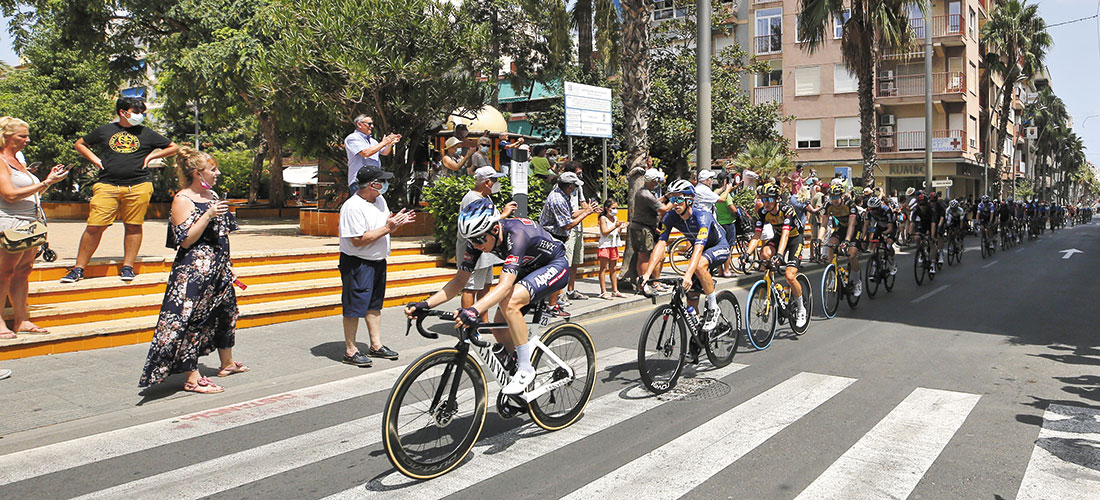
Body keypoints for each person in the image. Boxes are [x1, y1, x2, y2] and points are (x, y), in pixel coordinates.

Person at [407, 198, 570, 394]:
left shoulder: (516, 234)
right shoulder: (476, 241)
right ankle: (519, 373)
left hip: (554, 265)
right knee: (500, 330)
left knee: (509, 302)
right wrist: (426, 304)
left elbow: (504, 286)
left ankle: (526, 370)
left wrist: (474, 310)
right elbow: (459, 282)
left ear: (494, 229)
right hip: (528, 268)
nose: (475, 245)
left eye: (479, 240)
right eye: (471, 240)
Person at [139, 147, 244, 393]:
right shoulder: (182, 199)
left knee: (227, 313)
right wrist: (207, 215)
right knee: (192, 321)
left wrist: (228, 267)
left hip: (218, 267)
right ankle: (192, 377)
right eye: (213, 169)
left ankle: (227, 362)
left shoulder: (213, 195)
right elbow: (185, 240)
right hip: (194, 271)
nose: (217, 173)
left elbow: (223, 235)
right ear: (198, 173)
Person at [63, 97, 179, 284]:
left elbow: (173, 147)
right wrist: (96, 160)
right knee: (95, 226)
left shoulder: (146, 133)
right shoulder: (105, 130)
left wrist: (151, 156)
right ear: (122, 112)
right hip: (107, 184)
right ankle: (78, 268)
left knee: (133, 225)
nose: (140, 115)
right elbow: (80, 143)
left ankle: (128, 266)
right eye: (136, 111)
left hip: (139, 185)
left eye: (142, 112)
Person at [338, 166, 415, 367]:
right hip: (358, 262)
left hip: (378, 260)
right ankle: (350, 349)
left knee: (374, 304)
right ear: (373, 184)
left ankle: (376, 345)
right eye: (382, 181)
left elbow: (383, 227)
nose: (386, 184)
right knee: (354, 306)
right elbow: (358, 240)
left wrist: (395, 223)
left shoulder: (379, 200)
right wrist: (388, 228)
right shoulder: (352, 207)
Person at [0, 117, 70, 338]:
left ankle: (22, 320)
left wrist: (49, 180)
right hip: (10, 223)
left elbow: (32, 193)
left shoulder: (18, 161)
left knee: (22, 272)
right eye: (22, 136)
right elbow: (9, 195)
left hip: (30, 223)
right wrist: (45, 182)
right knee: (4, 273)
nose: (27, 140)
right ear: (6, 136)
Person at [640, 180, 730, 331]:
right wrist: (647, 274)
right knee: (691, 300)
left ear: (690, 200)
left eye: (678, 199)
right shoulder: (670, 217)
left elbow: (699, 248)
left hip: (717, 246)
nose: (674, 203)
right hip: (699, 249)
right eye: (672, 199)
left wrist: (687, 275)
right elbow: (661, 244)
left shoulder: (702, 216)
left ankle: (714, 307)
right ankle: (699, 336)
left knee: (699, 266)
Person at [743, 183, 808, 327]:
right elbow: (757, 235)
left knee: (790, 276)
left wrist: (779, 254)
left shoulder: (787, 210)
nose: (765, 203)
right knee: (764, 253)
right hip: (779, 237)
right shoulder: (763, 212)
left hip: (794, 239)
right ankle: (770, 288)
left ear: (777, 199)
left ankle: (801, 308)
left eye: (769, 199)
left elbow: (786, 234)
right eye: (763, 199)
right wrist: (746, 254)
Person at [457, 166, 517, 319]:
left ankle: (483, 321)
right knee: (470, 287)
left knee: (485, 285)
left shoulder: (485, 197)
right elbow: (479, 226)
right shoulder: (472, 199)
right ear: (487, 182)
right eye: (495, 180)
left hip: (486, 251)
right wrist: (503, 215)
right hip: (474, 251)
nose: (497, 183)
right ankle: (468, 322)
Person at [538, 170, 592, 315]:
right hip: (551, 238)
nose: (575, 189)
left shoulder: (563, 195)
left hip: (558, 237)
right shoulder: (558, 199)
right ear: (569, 186)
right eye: (574, 186)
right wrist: (586, 214)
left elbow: (571, 214)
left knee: (557, 270)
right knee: (556, 271)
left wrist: (586, 210)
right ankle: (552, 305)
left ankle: (551, 303)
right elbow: (567, 224)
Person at [627, 168, 668, 286]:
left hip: (648, 228)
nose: (658, 182)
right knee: (643, 256)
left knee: (656, 255)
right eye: (657, 180)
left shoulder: (646, 193)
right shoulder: (645, 194)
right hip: (642, 229)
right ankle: (643, 283)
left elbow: (655, 202)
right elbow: (663, 209)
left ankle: (654, 282)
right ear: (653, 181)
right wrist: (674, 201)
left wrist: (666, 196)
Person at [822, 184, 863, 296]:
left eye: (836, 197)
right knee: (831, 245)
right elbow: (823, 224)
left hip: (854, 228)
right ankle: (832, 276)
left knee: (851, 254)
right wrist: (818, 240)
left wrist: (847, 240)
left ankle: (857, 281)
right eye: (831, 197)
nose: (833, 200)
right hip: (842, 227)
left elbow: (852, 224)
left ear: (842, 196)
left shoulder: (850, 205)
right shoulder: (828, 205)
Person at [344, 115, 399, 190]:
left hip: (374, 181)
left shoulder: (373, 141)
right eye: (369, 124)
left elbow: (384, 152)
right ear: (359, 124)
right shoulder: (353, 138)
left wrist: (389, 144)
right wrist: (383, 143)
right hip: (360, 182)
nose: (372, 126)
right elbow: (366, 153)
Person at [597, 198, 627, 299]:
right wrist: (615, 226)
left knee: (613, 268)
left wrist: (621, 227)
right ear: (607, 208)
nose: (615, 210)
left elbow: (617, 232)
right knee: (603, 268)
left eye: (616, 208)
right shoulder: (603, 219)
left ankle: (615, 290)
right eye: (613, 208)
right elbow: (604, 232)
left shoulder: (615, 218)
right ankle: (603, 291)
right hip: (605, 246)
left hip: (613, 245)